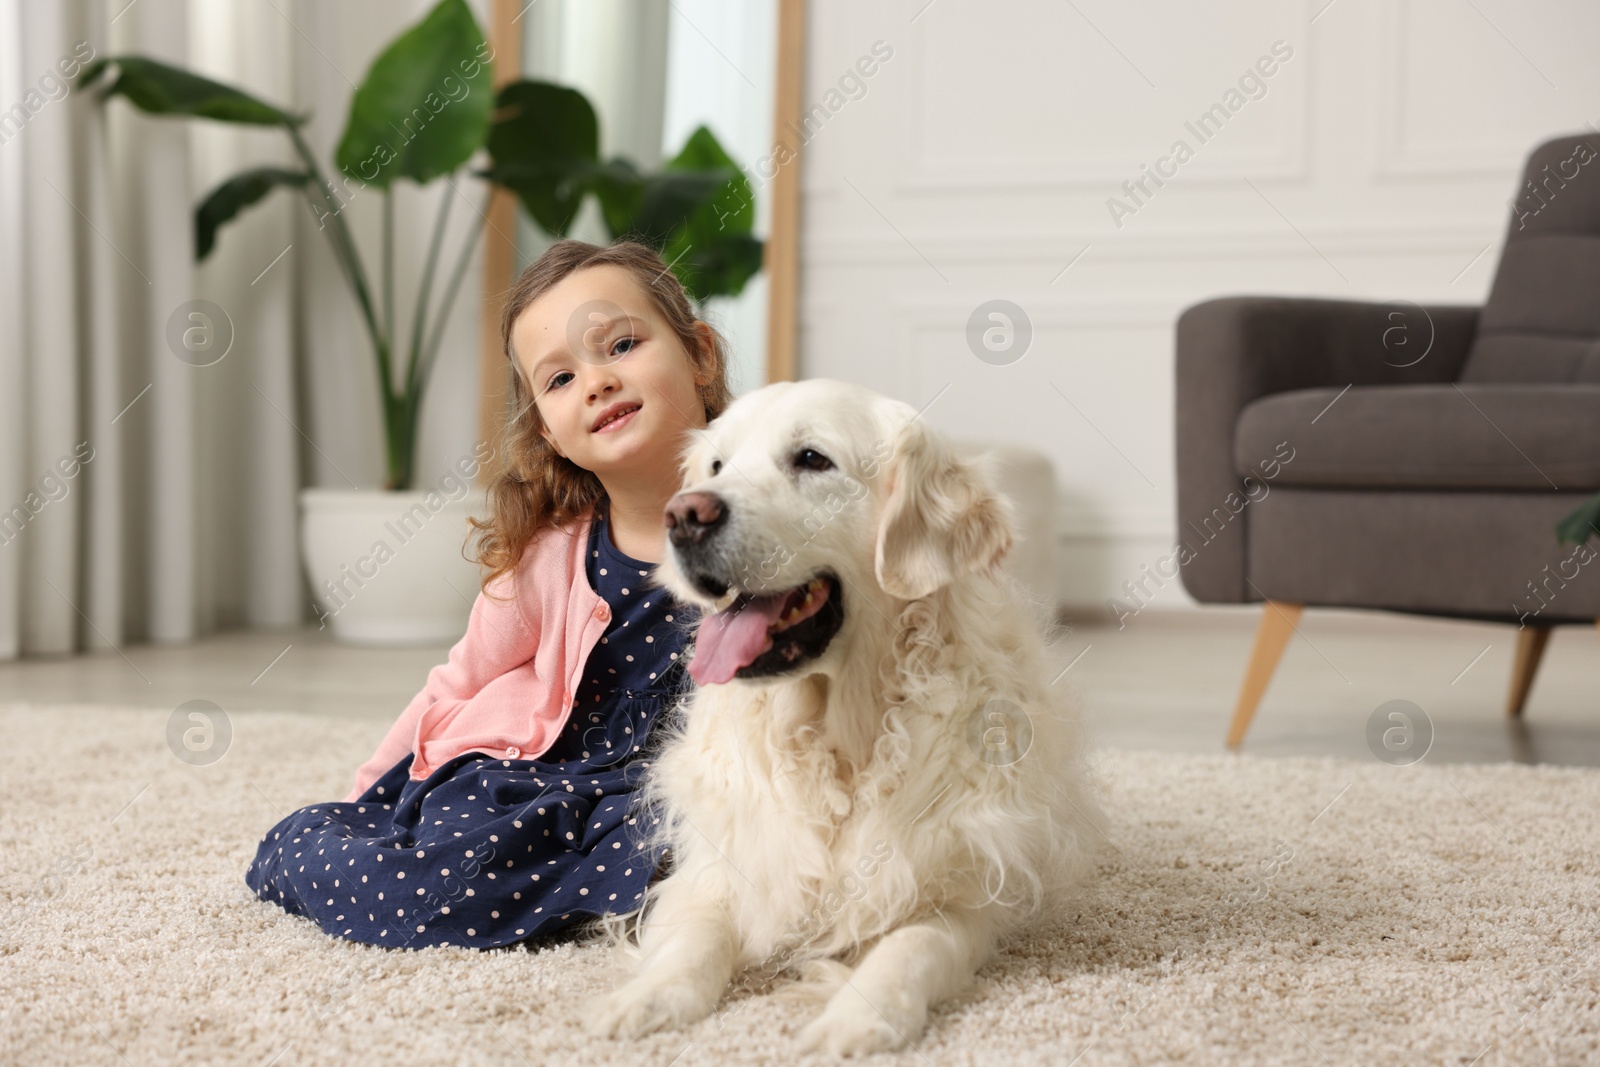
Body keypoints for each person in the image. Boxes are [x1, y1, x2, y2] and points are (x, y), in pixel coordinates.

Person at [244, 239, 735, 950]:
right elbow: (457, 681)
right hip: (541, 782)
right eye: (560, 378)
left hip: (664, 794)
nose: (595, 381)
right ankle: (335, 850)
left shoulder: (763, 525)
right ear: (550, 433)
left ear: (700, 354)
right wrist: (373, 791)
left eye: (621, 344)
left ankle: (634, 887)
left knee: (708, 834)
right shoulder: (552, 556)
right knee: (443, 866)